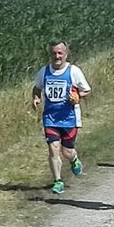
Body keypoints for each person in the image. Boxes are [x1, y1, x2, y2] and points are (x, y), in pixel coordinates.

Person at [32, 40, 92, 194]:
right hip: (50, 118)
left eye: (60, 53)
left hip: (69, 118)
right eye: (54, 53)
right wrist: (36, 98)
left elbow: (87, 90)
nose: (57, 56)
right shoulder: (44, 71)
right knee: (53, 149)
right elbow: (37, 88)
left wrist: (77, 96)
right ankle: (58, 181)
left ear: (66, 54)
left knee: (67, 151)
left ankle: (74, 159)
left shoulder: (73, 71)